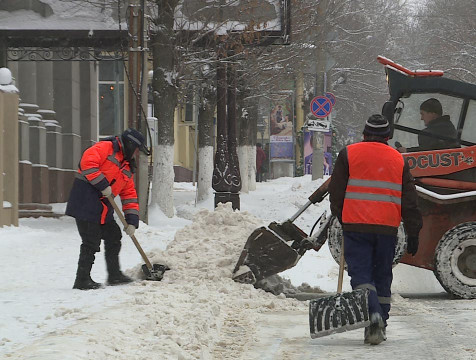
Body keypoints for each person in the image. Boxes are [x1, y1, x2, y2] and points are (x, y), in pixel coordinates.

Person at [329, 114, 422, 345]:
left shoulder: (349, 154)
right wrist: (413, 232)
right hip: (387, 229)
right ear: (388, 137)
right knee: (382, 275)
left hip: (356, 227)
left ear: (364, 134)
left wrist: (344, 218)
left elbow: (336, 192)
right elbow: (410, 201)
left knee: (361, 274)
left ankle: (372, 315)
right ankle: (381, 323)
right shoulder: (398, 159)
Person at [66, 128, 150, 290]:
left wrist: (132, 221)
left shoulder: (126, 166)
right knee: (91, 241)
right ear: (130, 145)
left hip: (103, 209)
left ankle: (114, 275)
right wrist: (102, 184)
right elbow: (87, 163)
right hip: (86, 203)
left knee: (113, 236)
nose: (136, 155)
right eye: (136, 151)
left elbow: (129, 195)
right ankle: (82, 279)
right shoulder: (106, 147)